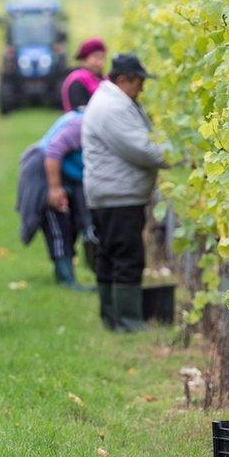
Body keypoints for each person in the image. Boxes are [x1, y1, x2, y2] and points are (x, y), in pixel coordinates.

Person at [82, 54, 170, 332]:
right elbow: (143, 148)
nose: (141, 88)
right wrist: (178, 157)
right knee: (127, 257)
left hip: (112, 192)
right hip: (119, 194)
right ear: (123, 80)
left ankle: (112, 318)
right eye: (139, 82)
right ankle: (129, 322)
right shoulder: (113, 108)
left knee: (109, 255)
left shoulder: (113, 102)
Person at [15, 109, 93, 289]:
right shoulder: (82, 124)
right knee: (58, 224)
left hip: (65, 175)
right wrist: (54, 189)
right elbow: (53, 151)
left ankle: (65, 275)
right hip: (44, 173)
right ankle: (66, 280)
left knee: (73, 224)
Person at [60, 38, 106, 112]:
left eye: (102, 58)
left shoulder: (103, 79)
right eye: (96, 57)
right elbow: (81, 111)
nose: (100, 63)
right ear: (84, 58)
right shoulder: (77, 81)